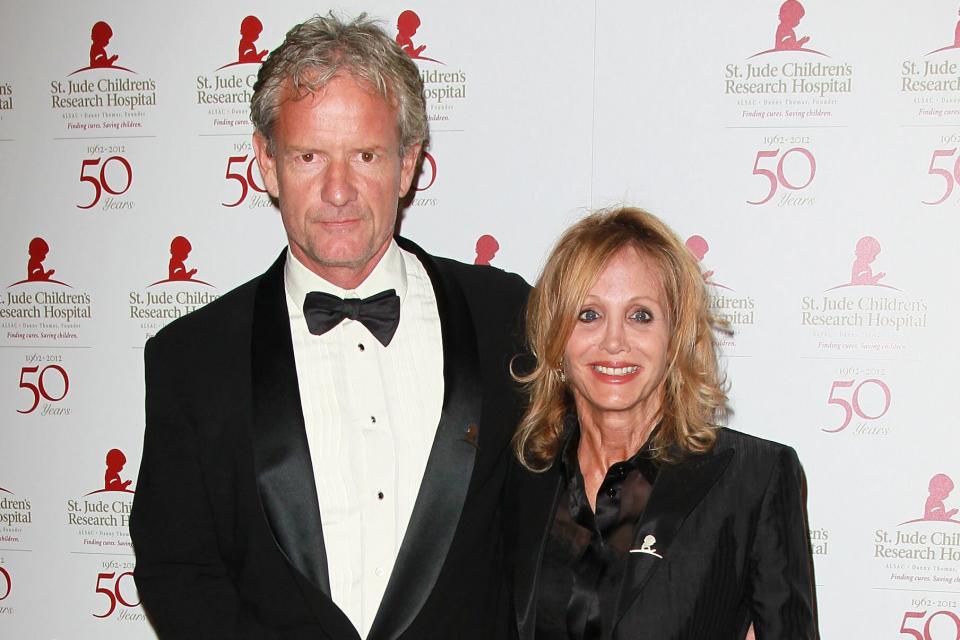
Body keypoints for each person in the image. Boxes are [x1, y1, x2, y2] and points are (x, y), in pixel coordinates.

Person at [130, 13, 529, 640]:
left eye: (365, 155)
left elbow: (573, 516)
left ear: (407, 164)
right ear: (266, 164)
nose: (338, 190)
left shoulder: (507, 316)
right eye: (309, 155)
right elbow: (177, 568)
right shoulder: (193, 358)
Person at [505, 207, 817, 639]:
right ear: (556, 342)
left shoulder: (755, 479)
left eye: (641, 316)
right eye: (589, 314)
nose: (614, 341)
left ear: (675, 341)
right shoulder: (516, 479)